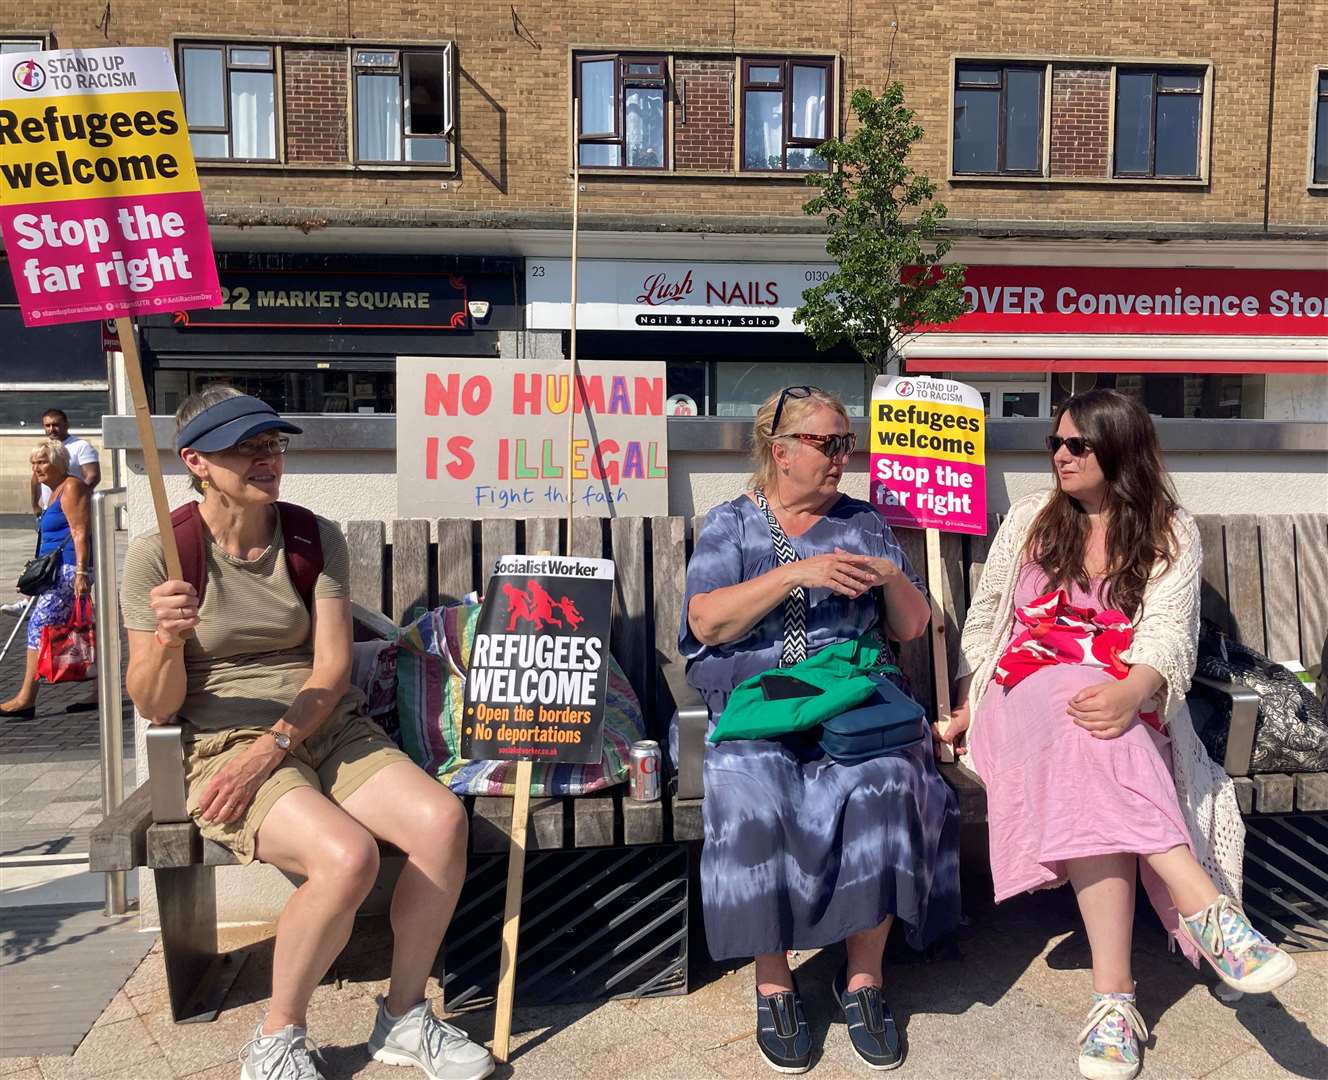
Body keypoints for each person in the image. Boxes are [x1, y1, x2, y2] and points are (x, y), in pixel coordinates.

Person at [120, 387, 493, 1080]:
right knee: (347, 859)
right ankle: (278, 1037)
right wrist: (168, 642)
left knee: (442, 822)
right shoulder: (159, 557)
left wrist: (276, 747)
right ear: (195, 460)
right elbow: (154, 703)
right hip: (220, 744)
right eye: (246, 446)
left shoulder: (310, 536)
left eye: (273, 443)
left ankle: (405, 1016)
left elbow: (328, 667)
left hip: (316, 724)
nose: (268, 458)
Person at [937, 389, 1297, 1080]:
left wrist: (1134, 690)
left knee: (1099, 741)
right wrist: (962, 703)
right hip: (1022, 691)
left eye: (1077, 445)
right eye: (1055, 444)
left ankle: (1114, 999)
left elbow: (1167, 631)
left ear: (1120, 450)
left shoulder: (1169, 530)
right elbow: (985, 625)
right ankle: (1207, 911)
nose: (1061, 456)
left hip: (1124, 702)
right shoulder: (1032, 520)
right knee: (1089, 719)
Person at [679, 385, 961, 1073]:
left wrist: (895, 575)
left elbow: (912, 627)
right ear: (779, 452)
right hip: (759, 703)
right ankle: (773, 981)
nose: (842, 458)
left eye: (847, 444)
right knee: (750, 787)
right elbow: (706, 621)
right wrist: (795, 575)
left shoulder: (864, 523)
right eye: (827, 444)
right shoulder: (732, 525)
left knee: (889, 780)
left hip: (852, 704)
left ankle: (863, 979)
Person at [2, 439, 93, 719]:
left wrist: (80, 572)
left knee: (40, 627)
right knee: (46, 629)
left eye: (42, 462)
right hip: (50, 573)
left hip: (66, 570)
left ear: (58, 462)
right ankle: (97, 686)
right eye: (33, 463)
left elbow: (80, 532)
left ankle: (26, 698)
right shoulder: (51, 492)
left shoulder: (71, 487)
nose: (36, 468)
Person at [30, 408, 100, 513]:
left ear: (66, 425)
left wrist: (75, 497)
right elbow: (36, 478)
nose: (51, 429)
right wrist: (35, 505)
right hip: (48, 509)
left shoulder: (81, 446)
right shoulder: (43, 448)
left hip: (73, 508)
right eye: (47, 425)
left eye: (56, 425)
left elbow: (93, 477)